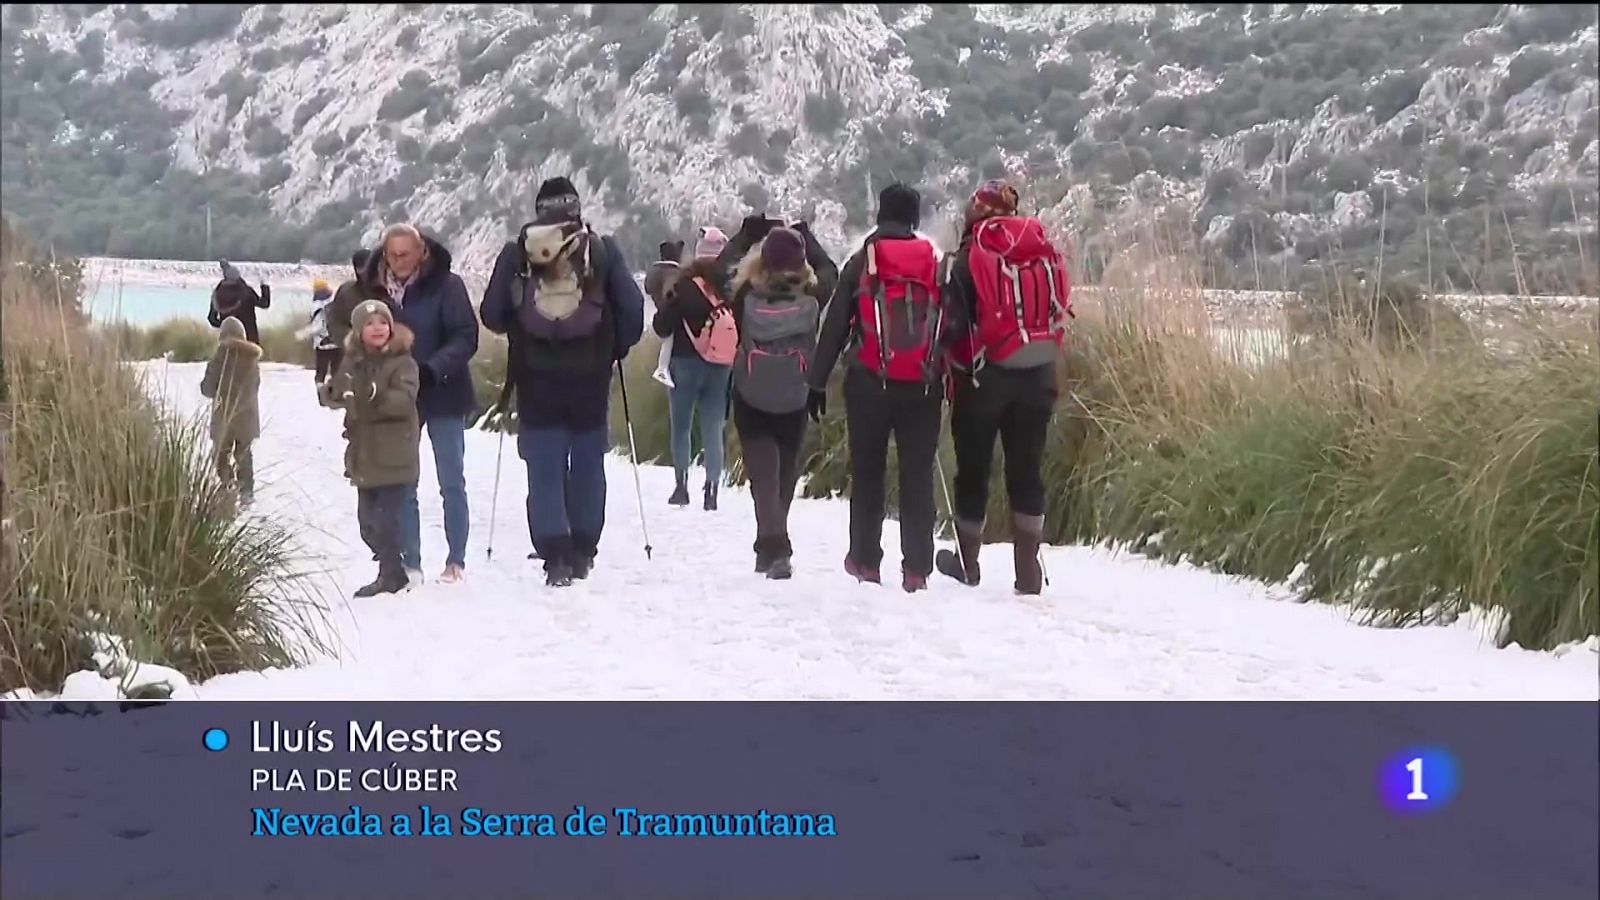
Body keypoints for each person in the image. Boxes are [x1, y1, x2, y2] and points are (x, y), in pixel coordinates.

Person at [480, 177, 645, 587]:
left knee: (545, 468)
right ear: (576, 206)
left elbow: (492, 315)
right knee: (588, 464)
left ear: (538, 209)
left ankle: (555, 556)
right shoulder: (602, 250)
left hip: (536, 381)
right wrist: (612, 349)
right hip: (589, 380)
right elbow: (633, 312)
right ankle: (584, 550)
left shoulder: (517, 253)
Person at [934, 179, 1071, 596]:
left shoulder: (967, 258)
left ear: (975, 213)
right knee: (1026, 468)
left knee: (974, 468)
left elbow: (951, 325)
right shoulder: (1039, 254)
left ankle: (968, 563)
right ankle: (1028, 571)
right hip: (1040, 373)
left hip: (982, 378)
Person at [806, 183, 945, 593]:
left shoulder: (864, 261)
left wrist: (816, 381)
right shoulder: (932, 262)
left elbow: (834, 326)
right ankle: (917, 568)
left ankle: (865, 560)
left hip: (869, 383)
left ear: (880, 215)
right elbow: (949, 322)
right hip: (923, 385)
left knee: (868, 470)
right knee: (917, 473)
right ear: (915, 220)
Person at [360, 224, 480, 585]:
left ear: (421, 252)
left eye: (405, 253)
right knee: (403, 479)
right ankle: (410, 561)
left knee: (451, 479)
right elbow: (356, 334)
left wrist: (431, 370)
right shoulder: (375, 292)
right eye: (391, 254)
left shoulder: (449, 285)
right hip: (399, 399)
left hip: (443, 391)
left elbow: (466, 337)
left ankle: (455, 559)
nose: (398, 261)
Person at [716, 219, 836, 578]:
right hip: (796, 391)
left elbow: (719, 271)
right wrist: (806, 235)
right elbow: (831, 269)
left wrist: (746, 235)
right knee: (784, 471)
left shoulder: (743, 296)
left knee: (763, 474)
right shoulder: (813, 298)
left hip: (751, 391)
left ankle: (773, 545)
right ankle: (772, 544)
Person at [319, 300, 422, 598]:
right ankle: (392, 566)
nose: (378, 328)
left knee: (386, 520)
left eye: (382, 322)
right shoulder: (352, 361)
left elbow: (404, 401)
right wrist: (331, 393)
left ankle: (393, 574)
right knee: (368, 524)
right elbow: (344, 393)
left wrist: (376, 397)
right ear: (358, 330)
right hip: (364, 455)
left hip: (394, 455)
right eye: (369, 323)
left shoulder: (403, 362)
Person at [651, 225, 735, 510]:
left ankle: (681, 486)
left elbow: (662, 328)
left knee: (681, 427)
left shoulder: (684, 286)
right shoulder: (730, 286)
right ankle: (711, 490)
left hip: (685, 363)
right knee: (713, 426)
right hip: (721, 365)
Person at [199, 315, 262, 509]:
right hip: (247, 416)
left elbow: (207, 389)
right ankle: (247, 492)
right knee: (244, 454)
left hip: (224, 415)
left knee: (220, 454)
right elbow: (256, 386)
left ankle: (228, 485)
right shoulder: (253, 360)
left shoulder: (220, 358)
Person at [645, 238, 687, 388]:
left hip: (660, 311)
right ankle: (662, 369)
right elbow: (671, 292)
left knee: (667, 342)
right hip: (670, 311)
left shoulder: (654, 272)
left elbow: (649, 288)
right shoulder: (673, 273)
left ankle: (662, 368)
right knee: (669, 342)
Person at [208, 260, 271, 345]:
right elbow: (264, 303)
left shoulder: (217, 294)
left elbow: (211, 319)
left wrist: (225, 326)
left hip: (228, 341)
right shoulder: (247, 291)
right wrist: (264, 286)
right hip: (250, 340)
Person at [327, 249, 373, 353]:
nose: (364, 272)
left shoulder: (389, 290)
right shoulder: (346, 291)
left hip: (387, 353)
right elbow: (335, 322)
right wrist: (353, 339)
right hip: (354, 353)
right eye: (360, 268)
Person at [306, 278, 342, 389]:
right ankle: (337, 390)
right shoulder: (335, 302)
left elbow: (317, 326)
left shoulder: (316, 305)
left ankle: (321, 391)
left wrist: (307, 333)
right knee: (337, 369)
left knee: (321, 370)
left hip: (322, 343)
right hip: (337, 341)